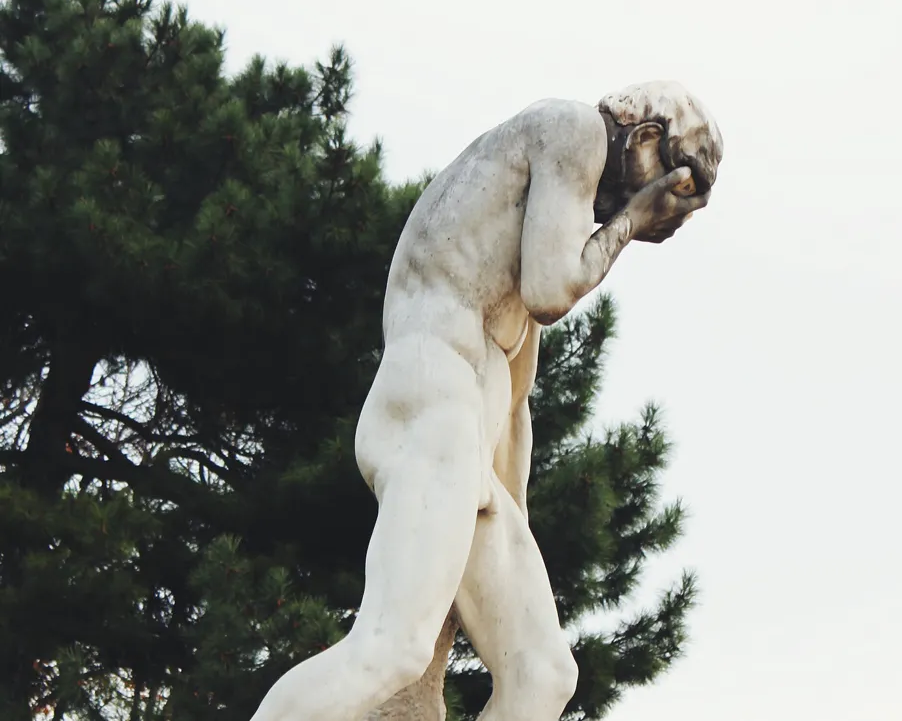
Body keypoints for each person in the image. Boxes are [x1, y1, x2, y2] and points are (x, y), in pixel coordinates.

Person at [249, 81, 723, 721]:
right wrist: (633, 216)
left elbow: (514, 414)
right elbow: (555, 290)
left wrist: (511, 529)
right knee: (392, 648)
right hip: (429, 403)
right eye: (675, 186)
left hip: (466, 447)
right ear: (643, 139)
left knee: (544, 672)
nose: (671, 215)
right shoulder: (573, 127)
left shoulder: (522, 257)